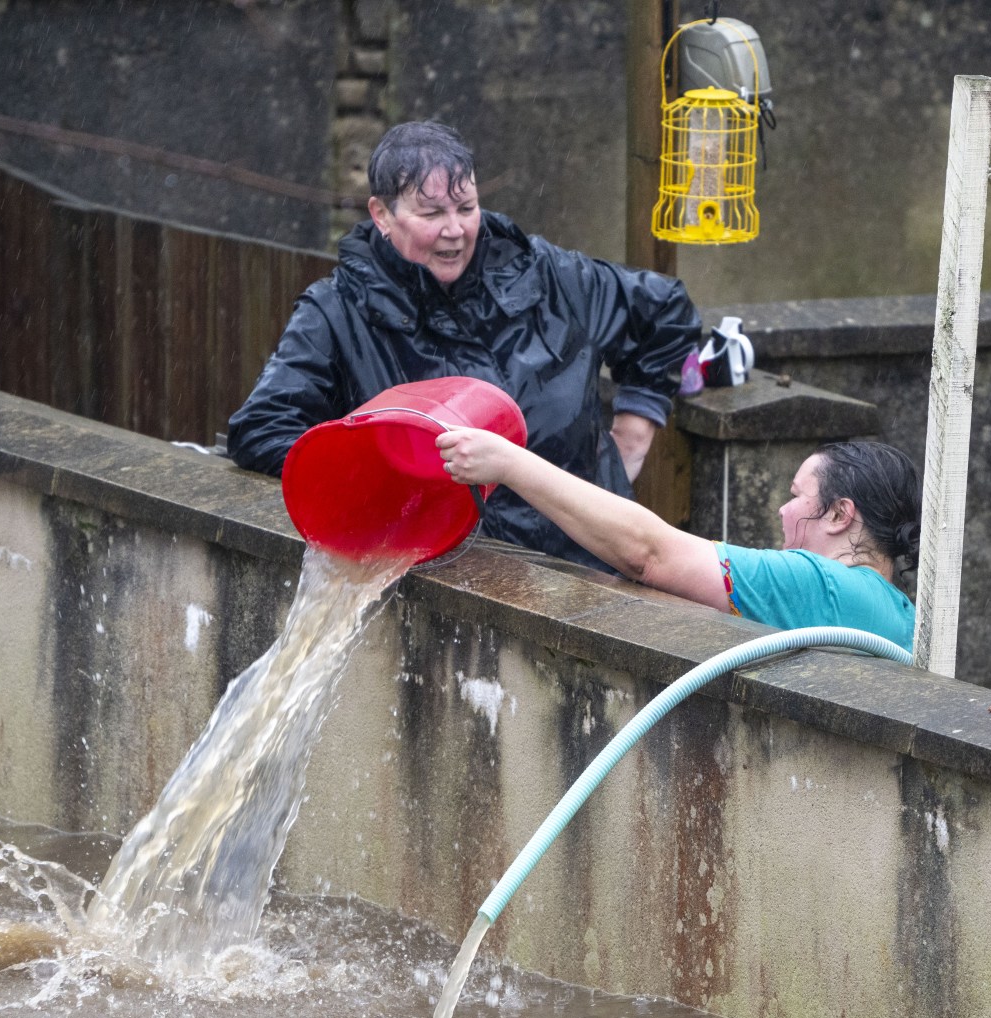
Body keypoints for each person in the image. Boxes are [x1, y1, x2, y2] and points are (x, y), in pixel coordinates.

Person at [226, 120, 702, 568]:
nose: (454, 230)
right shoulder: (336, 312)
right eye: (431, 213)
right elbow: (262, 430)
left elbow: (665, 310)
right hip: (453, 585)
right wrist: (373, 479)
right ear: (382, 215)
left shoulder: (549, 275)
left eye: (466, 208)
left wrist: (635, 431)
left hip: (592, 571)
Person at [435, 432, 921, 649]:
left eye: (796, 496)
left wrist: (510, 464)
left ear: (840, 514)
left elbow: (649, 555)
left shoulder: (825, 586)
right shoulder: (898, 611)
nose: (782, 510)